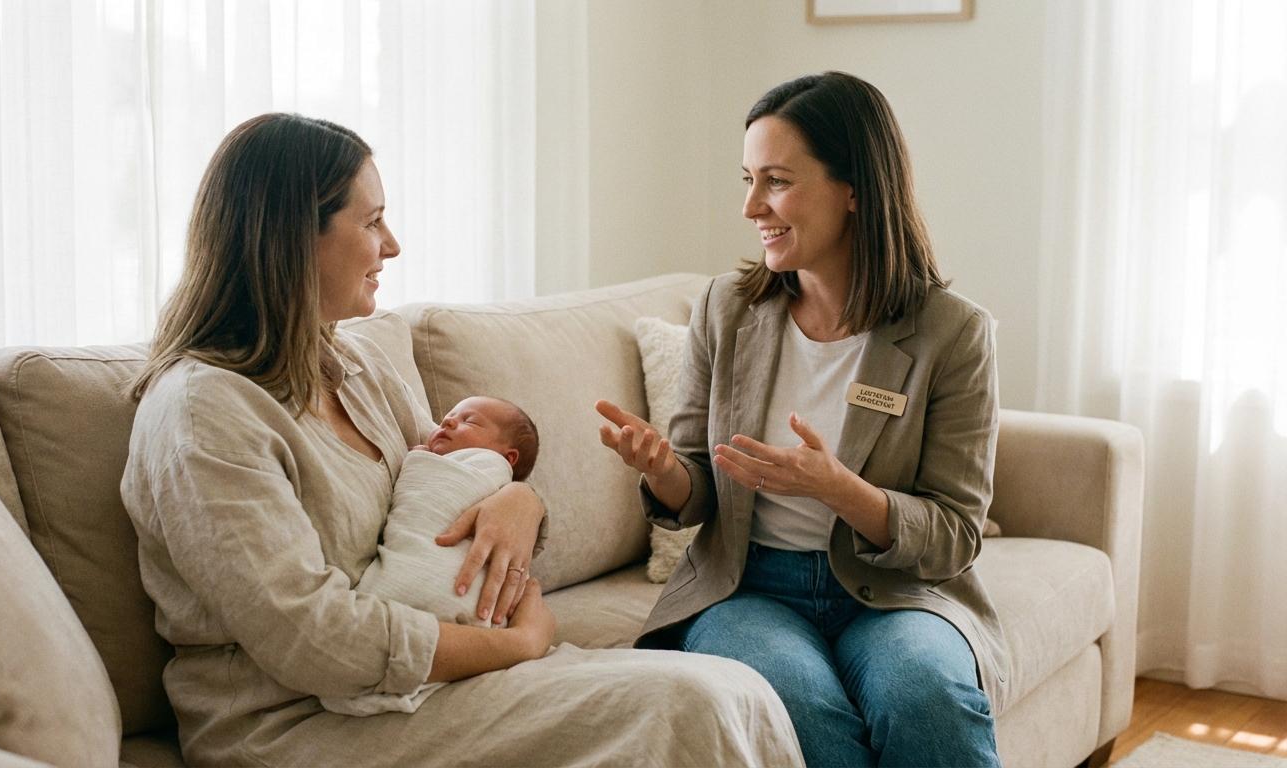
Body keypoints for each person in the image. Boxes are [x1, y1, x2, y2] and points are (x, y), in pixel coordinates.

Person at [121, 113, 802, 766]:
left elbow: (452, 481)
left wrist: (520, 504)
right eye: (373, 221)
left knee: (735, 690)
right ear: (293, 238)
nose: (393, 245)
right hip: (294, 722)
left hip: (420, 686)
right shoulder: (201, 416)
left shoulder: (354, 366)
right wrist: (519, 645)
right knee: (692, 704)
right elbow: (312, 640)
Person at [598, 72, 1008, 767]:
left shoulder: (951, 333)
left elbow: (954, 536)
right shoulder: (726, 309)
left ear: (854, 190)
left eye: (777, 181)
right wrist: (666, 470)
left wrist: (839, 488)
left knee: (926, 696)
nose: (752, 205)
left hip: (895, 593)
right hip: (748, 588)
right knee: (796, 708)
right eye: (748, 179)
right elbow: (699, 489)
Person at [321, 396, 539, 716]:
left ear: (507, 457)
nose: (446, 423)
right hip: (377, 639)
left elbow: (493, 490)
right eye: (446, 418)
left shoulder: (485, 467)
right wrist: (525, 641)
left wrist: (524, 496)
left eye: (470, 421)